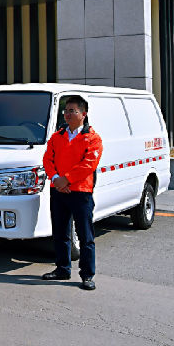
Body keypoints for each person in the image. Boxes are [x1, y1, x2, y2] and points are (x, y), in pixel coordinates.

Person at [42, 95, 103, 291]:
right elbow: (47, 159)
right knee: (60, 233)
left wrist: (65, 179)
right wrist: (55, 179)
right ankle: (62, 268)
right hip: (58, 191)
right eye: (66, 111)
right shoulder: (57, 136)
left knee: (85, 236)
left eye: (72, 111)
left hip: (81, 192)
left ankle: (87, 275)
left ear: (83, 114)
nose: (67, 114)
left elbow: (88, 164)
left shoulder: (92, 138)